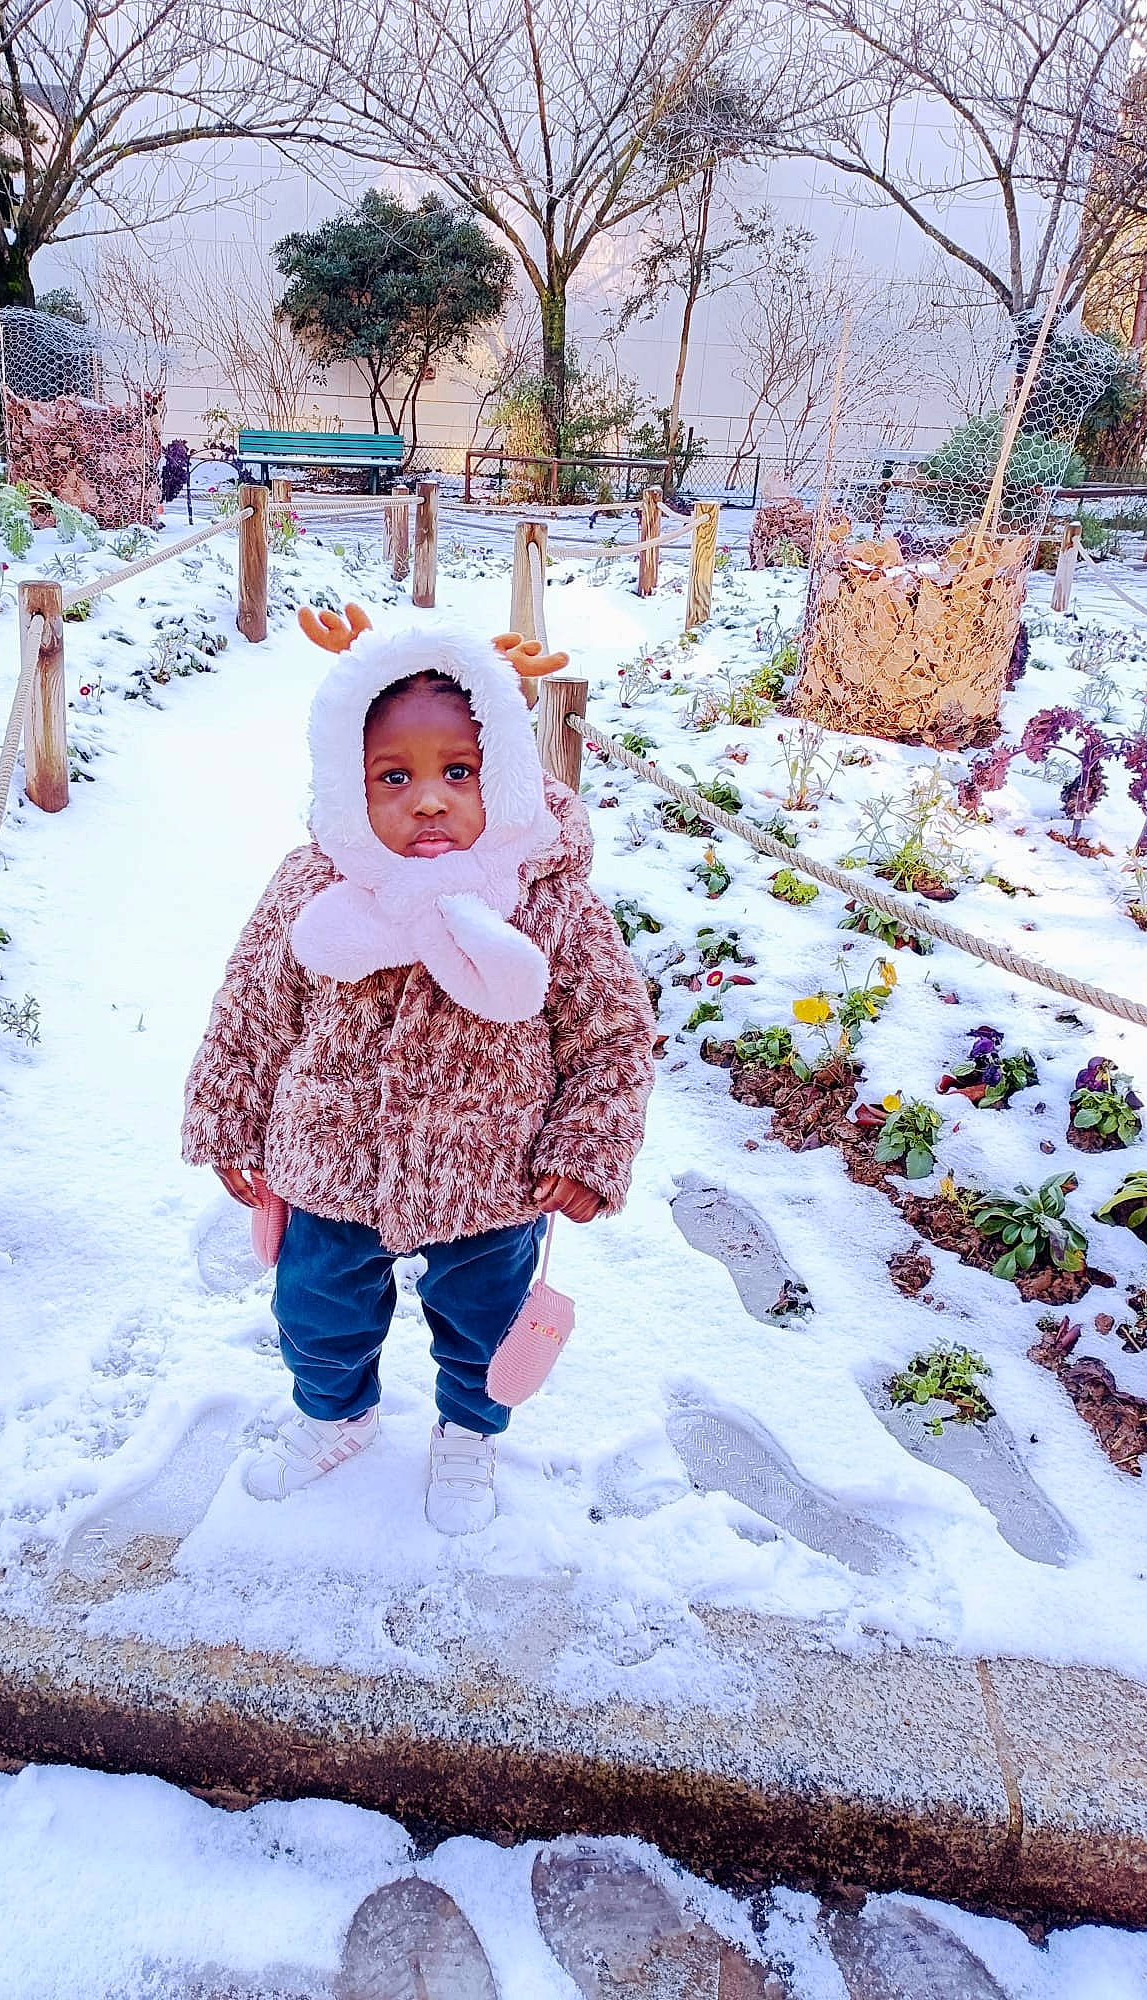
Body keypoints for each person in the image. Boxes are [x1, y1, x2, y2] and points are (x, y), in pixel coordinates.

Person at [182, 605, 654, 1534]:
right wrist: (231, 1117)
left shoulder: (546, 898)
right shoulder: (315, 886)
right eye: (393, 778)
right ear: (346, 788)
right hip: (329, 1162)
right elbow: (252, 1006)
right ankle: (334, 1411)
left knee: (484, 1320)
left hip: (491, 1171)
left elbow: (611, 1031)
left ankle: (470, 1431)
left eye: (459, 773)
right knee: (316, 1310)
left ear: (508, 778)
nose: (428, 800)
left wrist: (591, 1142)